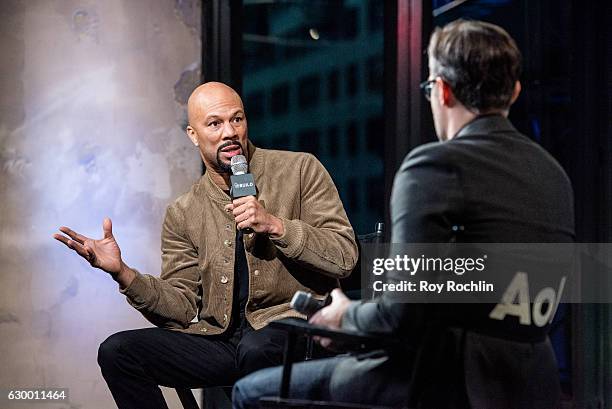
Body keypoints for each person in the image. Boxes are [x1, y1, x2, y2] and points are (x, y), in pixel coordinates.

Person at [232, 19, 575, 409]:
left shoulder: (434, 165)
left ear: (443, 91)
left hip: (446, 377)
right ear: (512, 91)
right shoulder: (554, 174)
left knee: (251, 392)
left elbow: (403, 314)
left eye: (429, 87)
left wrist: (345, 316)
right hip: (531, 381)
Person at [53, 81, 358, 409]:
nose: (229, 132)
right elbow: (182, 307)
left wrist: (276, 225)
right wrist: (123, 273)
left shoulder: (299, 170)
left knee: (257, 349)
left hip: (290, 326)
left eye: (236, 119)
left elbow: (344, 256)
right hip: (220, 339)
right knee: (117, 353)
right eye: (215, 123)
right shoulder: (184, 212)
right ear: (193, 134)